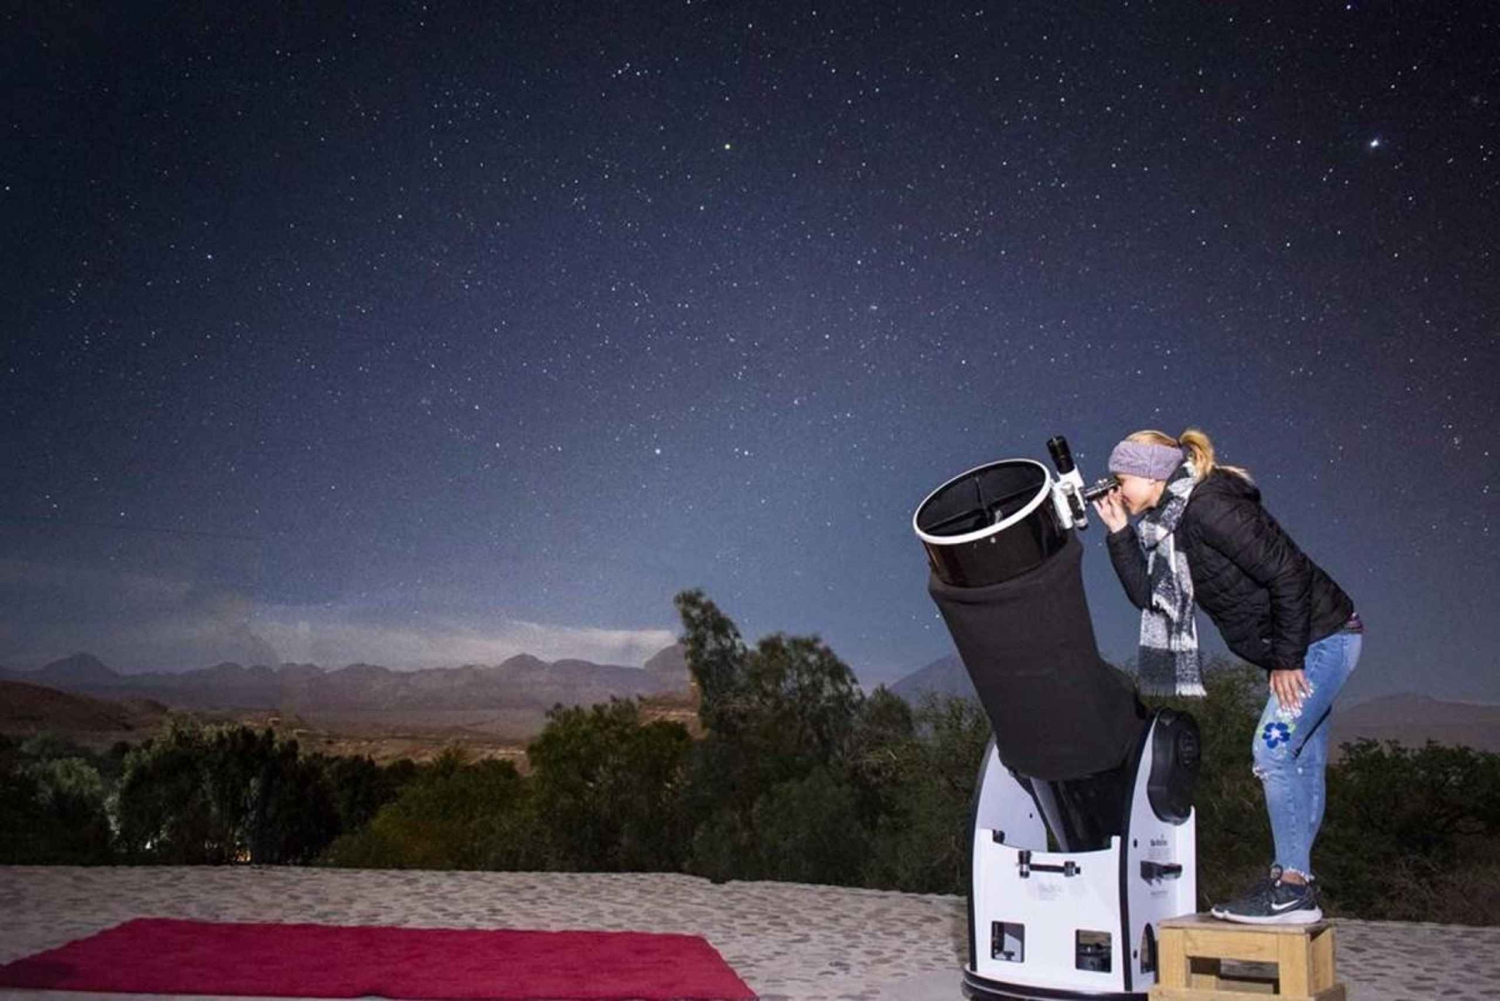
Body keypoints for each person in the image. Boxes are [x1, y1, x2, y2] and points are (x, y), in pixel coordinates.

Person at [1091, 428, 1364, 925]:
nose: (1116, 488)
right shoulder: (1167, 522)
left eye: (1121, 478)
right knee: (1300, 761)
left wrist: (1287, 660)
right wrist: (1118, 533)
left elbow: (1289, 573)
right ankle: (1295, 882)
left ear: (1150, 474)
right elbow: (1148, 596)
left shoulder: (1209, 507)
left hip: (1323, 639)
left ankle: (1292, 888)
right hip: (1303, 643)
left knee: (1273, 751)